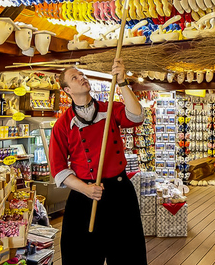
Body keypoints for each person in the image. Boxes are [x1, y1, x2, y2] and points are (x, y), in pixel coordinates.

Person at [49, 58, 147, 265]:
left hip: (119, 194)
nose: (81, 78)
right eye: (74, 78)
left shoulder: (109, 108)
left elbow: (137, 117)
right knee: (81, 256)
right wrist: (84, 189)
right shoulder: (62, 124)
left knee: (127, 254)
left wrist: (122, 82)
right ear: (67, 90)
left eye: (82, 75)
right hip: (85, 195)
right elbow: (58, 169)